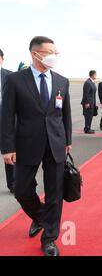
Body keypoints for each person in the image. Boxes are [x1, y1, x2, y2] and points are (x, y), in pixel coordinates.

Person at [1, 36, 72, 256]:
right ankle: (41, 217)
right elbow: (6, 116)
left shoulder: (62, 80)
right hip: (25, 144)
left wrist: (68, 140)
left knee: (54, 193)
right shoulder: (15, 80)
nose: (54, 55)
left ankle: (49, 238)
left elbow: (65, 114)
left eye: (56, 51)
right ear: (35, 54)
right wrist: (7, 147)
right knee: (21, 190)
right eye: (50, 51)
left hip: (56, 144)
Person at [0, 49, 15, 193]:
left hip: (6, 121)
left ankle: (13, 184)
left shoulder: (10, 76)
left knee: (9, 153)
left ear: (2, 59)